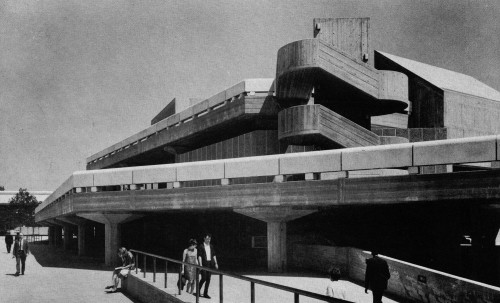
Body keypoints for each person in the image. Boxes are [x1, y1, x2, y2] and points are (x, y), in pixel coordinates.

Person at [198, 233, 219, 299]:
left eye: (209, 239)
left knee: (208, 279)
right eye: (207, 239)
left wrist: (216, 263)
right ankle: (198, 290)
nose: (208, 240)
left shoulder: (211, 246)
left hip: (210, 264)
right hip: (204, 264)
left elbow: (214, 255)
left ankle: (205, 293)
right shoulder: (201, 246)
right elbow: (199, 256)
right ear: (204, 238)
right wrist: (200, 264)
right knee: (203, 278)